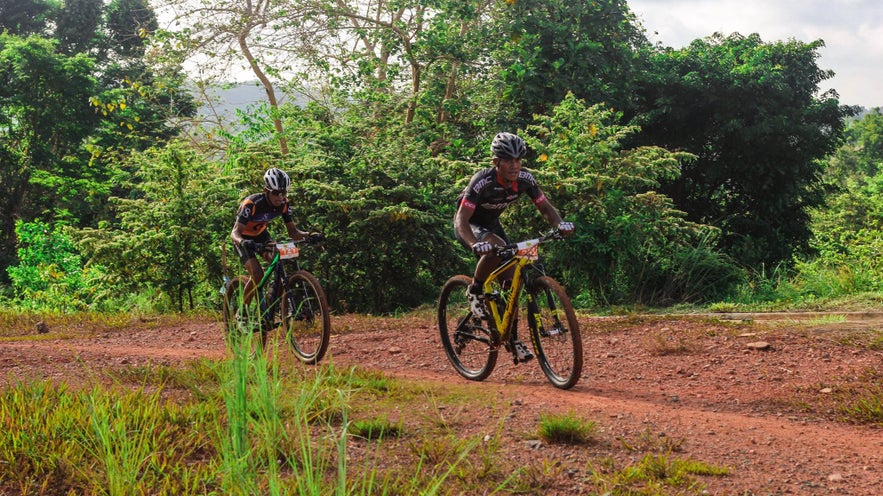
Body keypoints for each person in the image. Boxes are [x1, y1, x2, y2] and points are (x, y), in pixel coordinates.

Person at [454, 132, 574, 362]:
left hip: (491, 224)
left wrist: (560, 224)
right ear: (496, 162)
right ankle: (475, 290)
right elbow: (462, 219)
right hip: (470, 225)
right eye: (508, 160)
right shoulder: (482, 181)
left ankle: (512, 338)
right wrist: (474, 244)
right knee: (496, 247)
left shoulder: (525, 179)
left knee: (512, 283)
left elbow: (545, 208)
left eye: (518, 160)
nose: (514, 165)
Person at [230, 167, 320, 302]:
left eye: (283, 192)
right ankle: (243, 311)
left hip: (261, 236)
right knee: (257, 274)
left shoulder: (284, 204)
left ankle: (272, 299)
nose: (280, 197)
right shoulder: (251, 204)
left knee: (280, 261)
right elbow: (235, 232)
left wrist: (309, 235)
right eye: (276, 193)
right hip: (242, 239)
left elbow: (293, 233)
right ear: (266, 190)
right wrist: (243, 242)